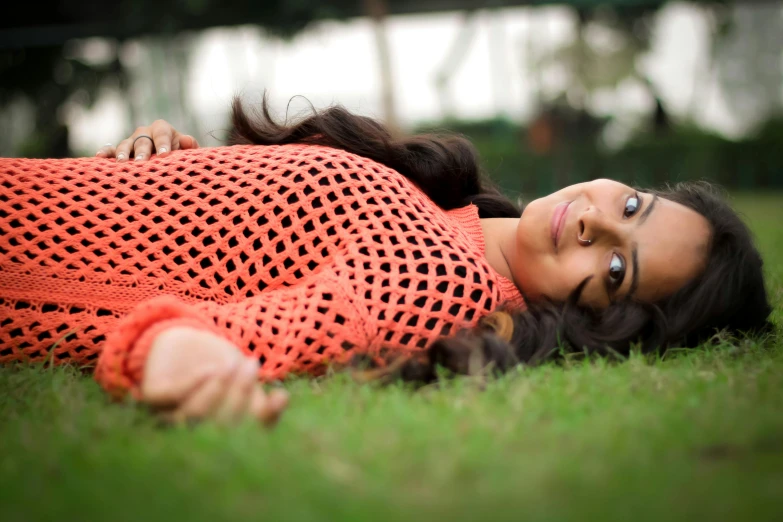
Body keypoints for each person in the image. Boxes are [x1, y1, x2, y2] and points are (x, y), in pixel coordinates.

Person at [0, 98, 771, 424]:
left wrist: (177, 349)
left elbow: (238, 331)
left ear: (603, 324)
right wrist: (159, 163)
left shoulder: (443, 285)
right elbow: (235, 237)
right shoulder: (446, 203)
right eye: (632, 205)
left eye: (614, 271)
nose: (596, 222)